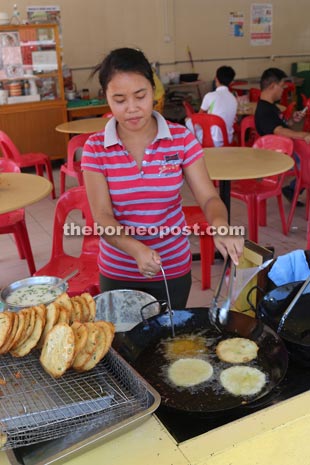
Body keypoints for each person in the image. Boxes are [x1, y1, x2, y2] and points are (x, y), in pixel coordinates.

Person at [81, 48, 244, 309]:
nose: (132, 109)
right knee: (123, 345)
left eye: (140, 96)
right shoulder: (96, 148)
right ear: (107, 98)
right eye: (120, 99)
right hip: (118, 270)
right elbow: (102, 217)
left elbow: (209, 197)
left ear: (153, 91)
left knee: (168, 340)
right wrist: (136, 249)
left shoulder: (181, 139)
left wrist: (221, 226)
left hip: (172, 267)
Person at [255, 67, 310, 205]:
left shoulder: (271, 106)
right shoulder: (264, 110)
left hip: (287, 151)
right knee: (306, 160)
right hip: (279, 156)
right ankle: (294, 187)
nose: (283, 89)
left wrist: (292, 120)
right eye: (281, 86)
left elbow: (281, 126)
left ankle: (293, 188)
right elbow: (278, 131)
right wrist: (303, 135)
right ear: (273, 86)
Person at [186, 66, 237, 146]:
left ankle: (195, 148)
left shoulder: (210, 96)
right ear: (231, 82)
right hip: (227, 140)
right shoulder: (234, 99)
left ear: (216, 79)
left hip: (212, 141)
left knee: (188, 121)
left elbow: (198, 118)